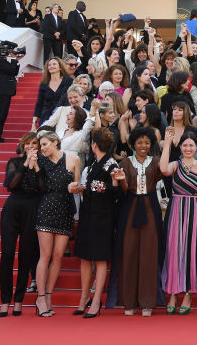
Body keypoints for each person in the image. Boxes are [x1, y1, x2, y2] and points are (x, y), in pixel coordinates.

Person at [72, 128, 124, 318]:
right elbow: (94, 188)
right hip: (88, 214)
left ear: (95, 145)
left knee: (101, 259)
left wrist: (110, 184)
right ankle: (84, 297)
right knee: (85, 257)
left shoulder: (112, 165)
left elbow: (117, 194)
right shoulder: (94, 163)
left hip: (103, 217)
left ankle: (95, 301)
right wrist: (82, 188)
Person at [159, 125, 197, 315]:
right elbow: (163, 169)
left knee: (191, 251)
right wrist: (167, 143)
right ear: (180, 148)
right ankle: (173, 292)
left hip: (194, 210)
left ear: (195, 147)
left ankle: (188, 293)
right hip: (176, 209)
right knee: (174, 251)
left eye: (191, 145)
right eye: (185, 145)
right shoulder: (175, 165)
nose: (188, 148)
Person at [116, 127, 163, 316]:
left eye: (147, 142)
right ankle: (129, 302)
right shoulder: (126, 162)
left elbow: (165, 176)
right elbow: (125, 189)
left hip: (151, 207)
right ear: (133, 144)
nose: (143, 146)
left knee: (149, 254)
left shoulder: (157, 162)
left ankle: (147, 302)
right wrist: (121, 180)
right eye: (139, 142)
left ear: (151, 144)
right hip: (130, 207)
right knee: (129, 252)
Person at [33, 130, 79, 317]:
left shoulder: (73, 159)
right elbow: (38, 186)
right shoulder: (40, 161)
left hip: (65, 209)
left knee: (59, 255)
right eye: (40, 145)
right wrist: (34, 166)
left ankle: (49, 295)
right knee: (45, 255)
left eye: (44, 144)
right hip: (46, 209)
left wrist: (75, 187)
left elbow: (76, 186)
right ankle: (41, 297)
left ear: (55, 142)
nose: (42, 148)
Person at [0, 132, 43, 317]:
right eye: (28, 143)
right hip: (12, 208)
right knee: (7, 254)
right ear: (23, 145)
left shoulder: (42, 165)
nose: (31, 146)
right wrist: (26, 165)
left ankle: (18, 300)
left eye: (35, 143)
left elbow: (42, 189)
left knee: (26, 255)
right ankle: (4, 300)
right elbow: (10, 183)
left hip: (32, 210)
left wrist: (36, 167)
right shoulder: (14, 162)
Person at [0, 46, 22, 143]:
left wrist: (16, 60)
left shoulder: (4, 61)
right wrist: (13, 59)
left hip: (6, 90)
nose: (9, 52)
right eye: (8, 50)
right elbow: (11, 70)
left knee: (3, 114)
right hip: (2, 90)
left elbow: (14, 72)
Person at [31, 58, 72, 130]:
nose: (51, 66)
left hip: (63, 117)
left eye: (54, 64)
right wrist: (34, 123)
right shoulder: (44, 84)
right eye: (49, 65)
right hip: (46, 116)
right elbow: (39, 103)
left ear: (60, 67)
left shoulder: (68, 81)